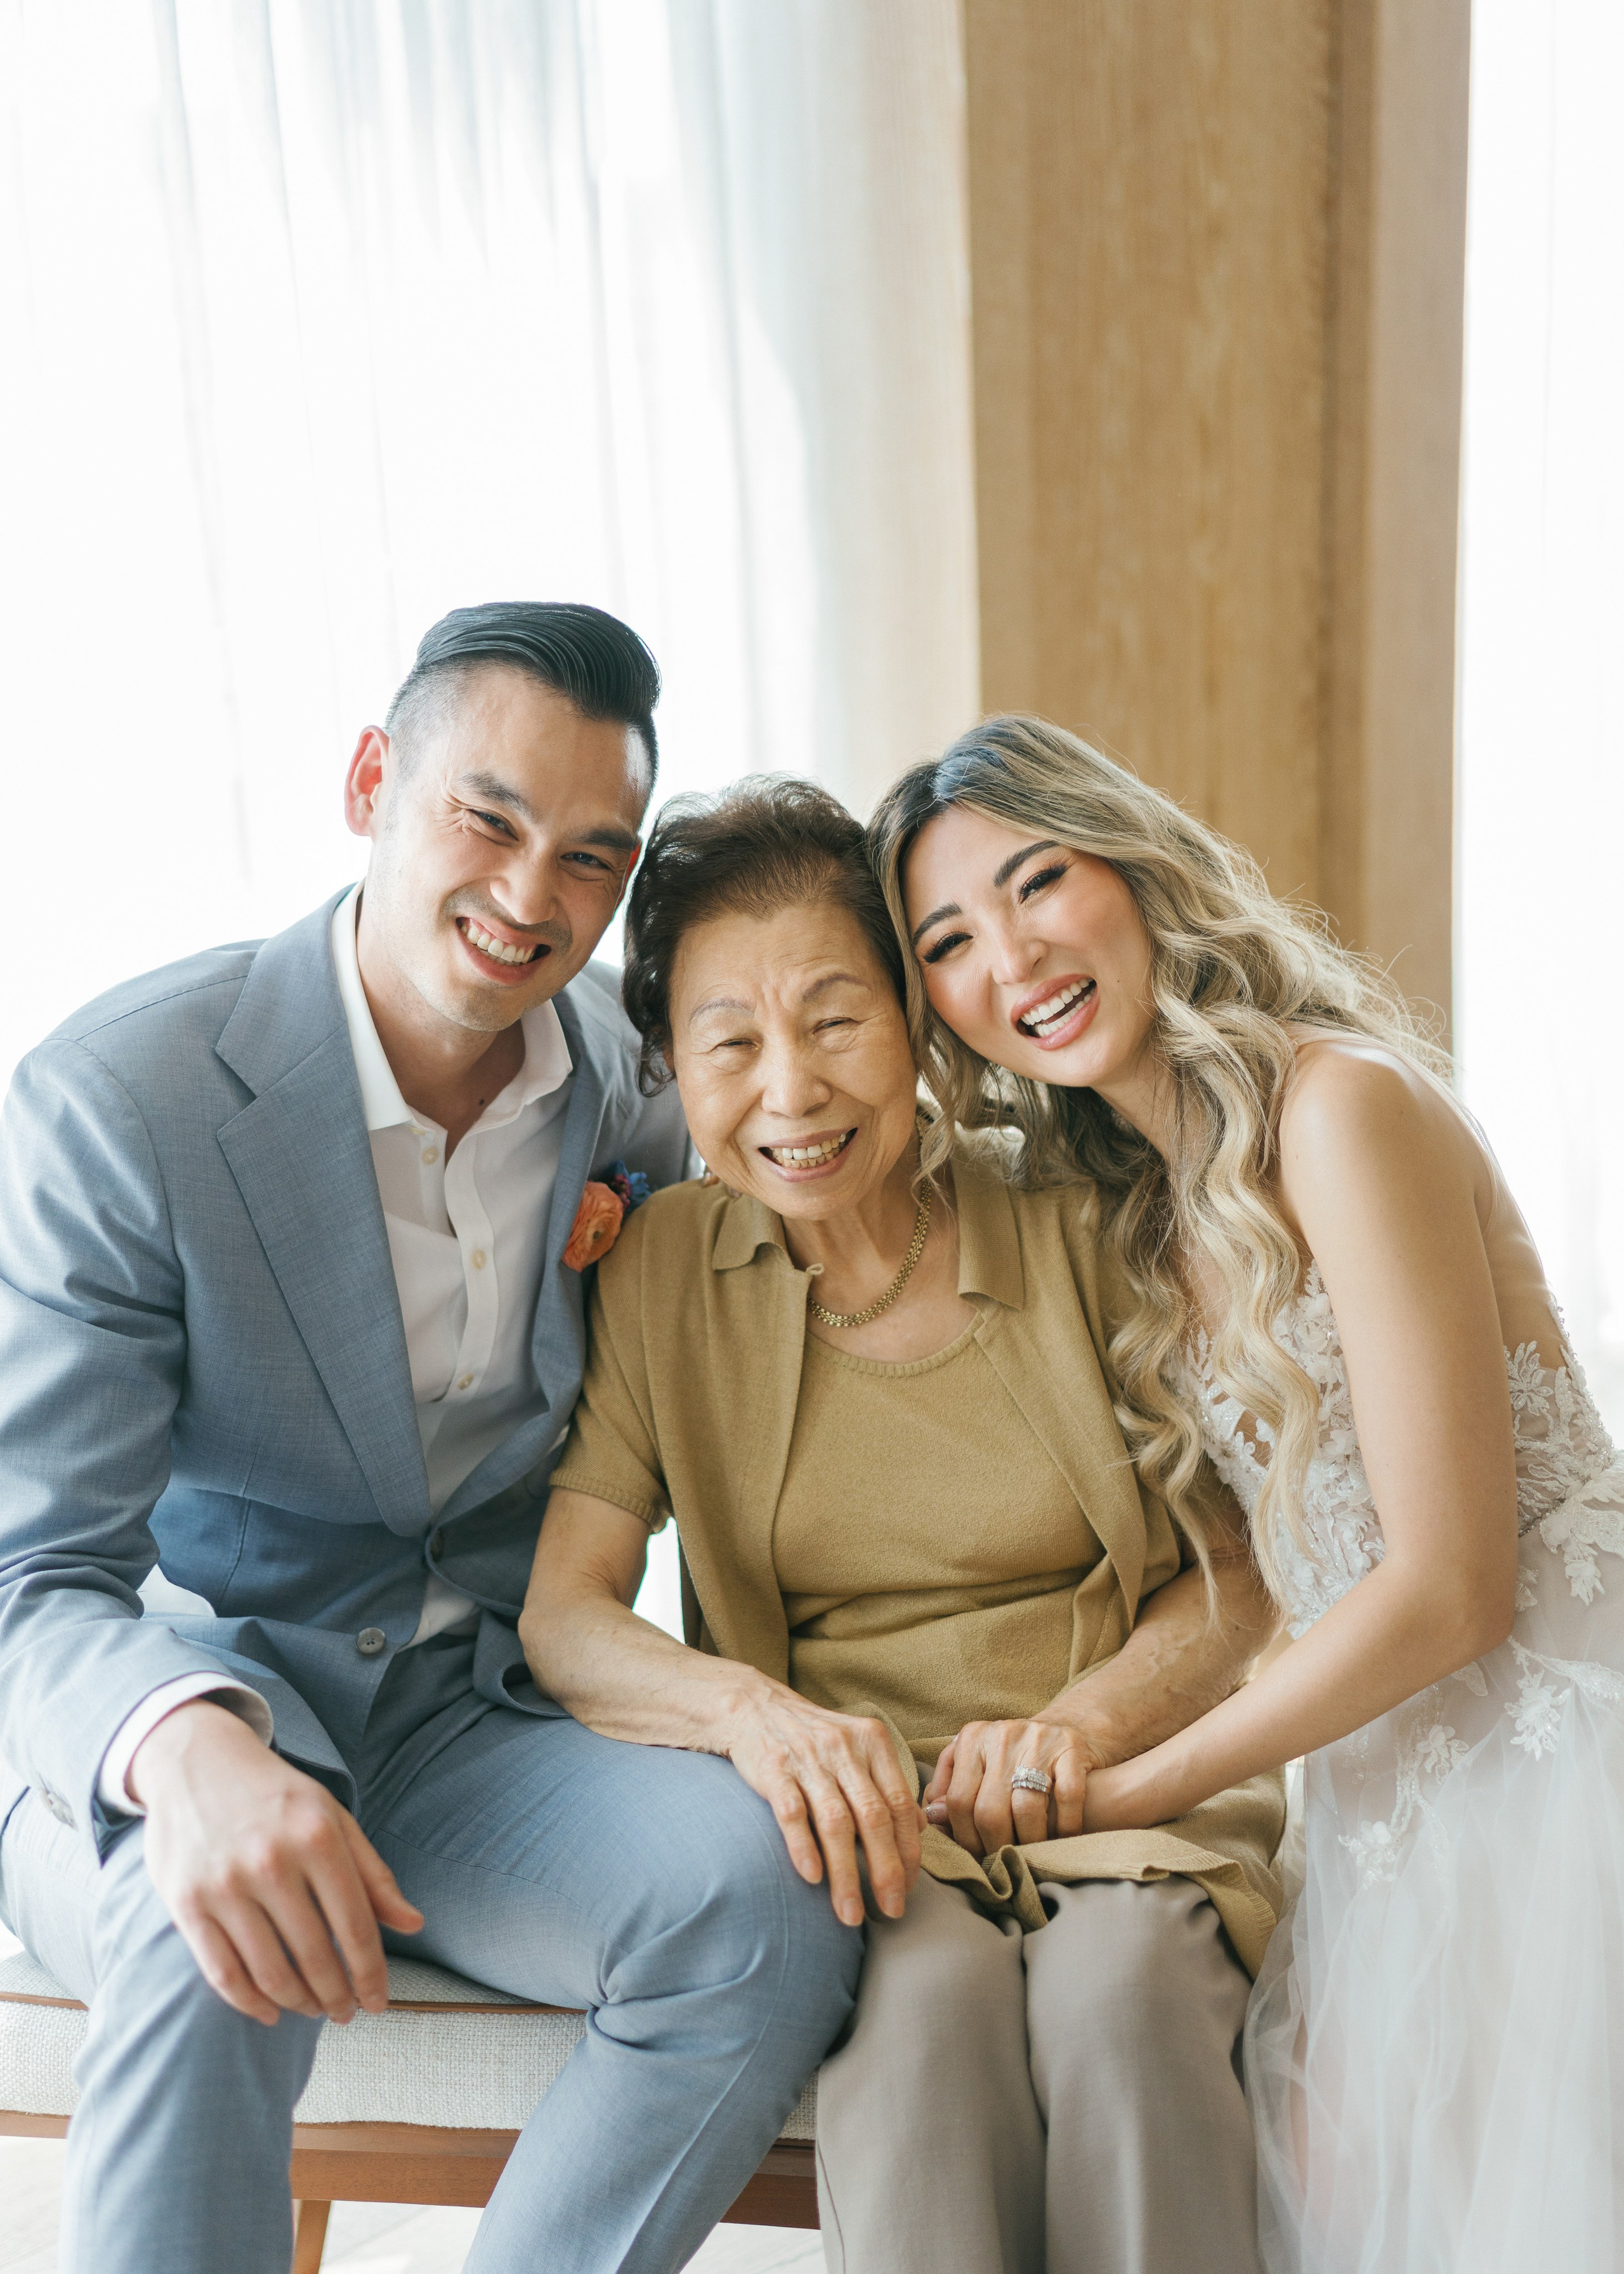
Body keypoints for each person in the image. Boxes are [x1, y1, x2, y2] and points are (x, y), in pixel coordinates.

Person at [0, 604, 862, 2274]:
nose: (533, 899)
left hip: (478, 1722)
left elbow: (827, 1169)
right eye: (489, 821)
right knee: (210, 1924)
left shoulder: (642, 1077)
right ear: (371, 782)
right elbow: (35, 1571)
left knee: (770, 1905)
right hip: (202, 1686)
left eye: (593, 859)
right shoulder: (126, 1103)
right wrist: (187, 1749)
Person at [870, 712, 1624, 2274]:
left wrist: (1139, 1785)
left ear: (1135, 867)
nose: (1008, 958)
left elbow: (1447, 1585)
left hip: (1559, 1768)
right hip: (1389, 1801)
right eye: (948, 940)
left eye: (1036, 882)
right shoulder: (1136, 1214)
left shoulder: (1341, 1108)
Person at [520, 774, 1287, 2274]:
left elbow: (1231, 1575)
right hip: (864, 1838)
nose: (788, 1091)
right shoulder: (659, 1270)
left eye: (832, 1018)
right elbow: (568, 1611)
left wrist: (1080, 1724)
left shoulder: (1074, 1209)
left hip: (1123, 1793)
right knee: (922, 2015)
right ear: (671, 1066)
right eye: (727, 1042)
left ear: (914, 1021)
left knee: (1122, 1992)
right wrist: (760, 1720)